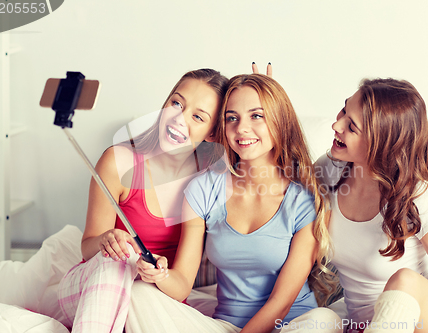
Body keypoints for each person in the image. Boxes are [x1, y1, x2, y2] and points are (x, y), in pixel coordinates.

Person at [126, 74, 341, 333]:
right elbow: (182, 281)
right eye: (232, 118)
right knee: (139, 294)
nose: (241, 128)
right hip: (226, 326)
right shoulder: (203, 189)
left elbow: (281, 303)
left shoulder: (304, 200)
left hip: (291, 325)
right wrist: (161, 275)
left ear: (279, 121)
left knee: (326, 320)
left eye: (257, 116)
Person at [57, 68, 229, 333]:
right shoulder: (119, 162)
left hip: (153, 296)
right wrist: (105, 241)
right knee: (122, 258)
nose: (179, 119)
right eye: (176, 103)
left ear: (212, 133)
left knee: (139, 286)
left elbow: (182, 284)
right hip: (89, 287)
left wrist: (161, 275)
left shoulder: (204, 182)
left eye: (197, 116)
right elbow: (87, 248)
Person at [314, 78, 428, 333]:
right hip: (368, 326)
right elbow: (278, 196)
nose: (336, 125)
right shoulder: (329, 170)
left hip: (427, 322)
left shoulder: (414, 196)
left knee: (404, 280)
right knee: (320, 319)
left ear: (381, 142)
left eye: (352, 127)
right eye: (343, 110)